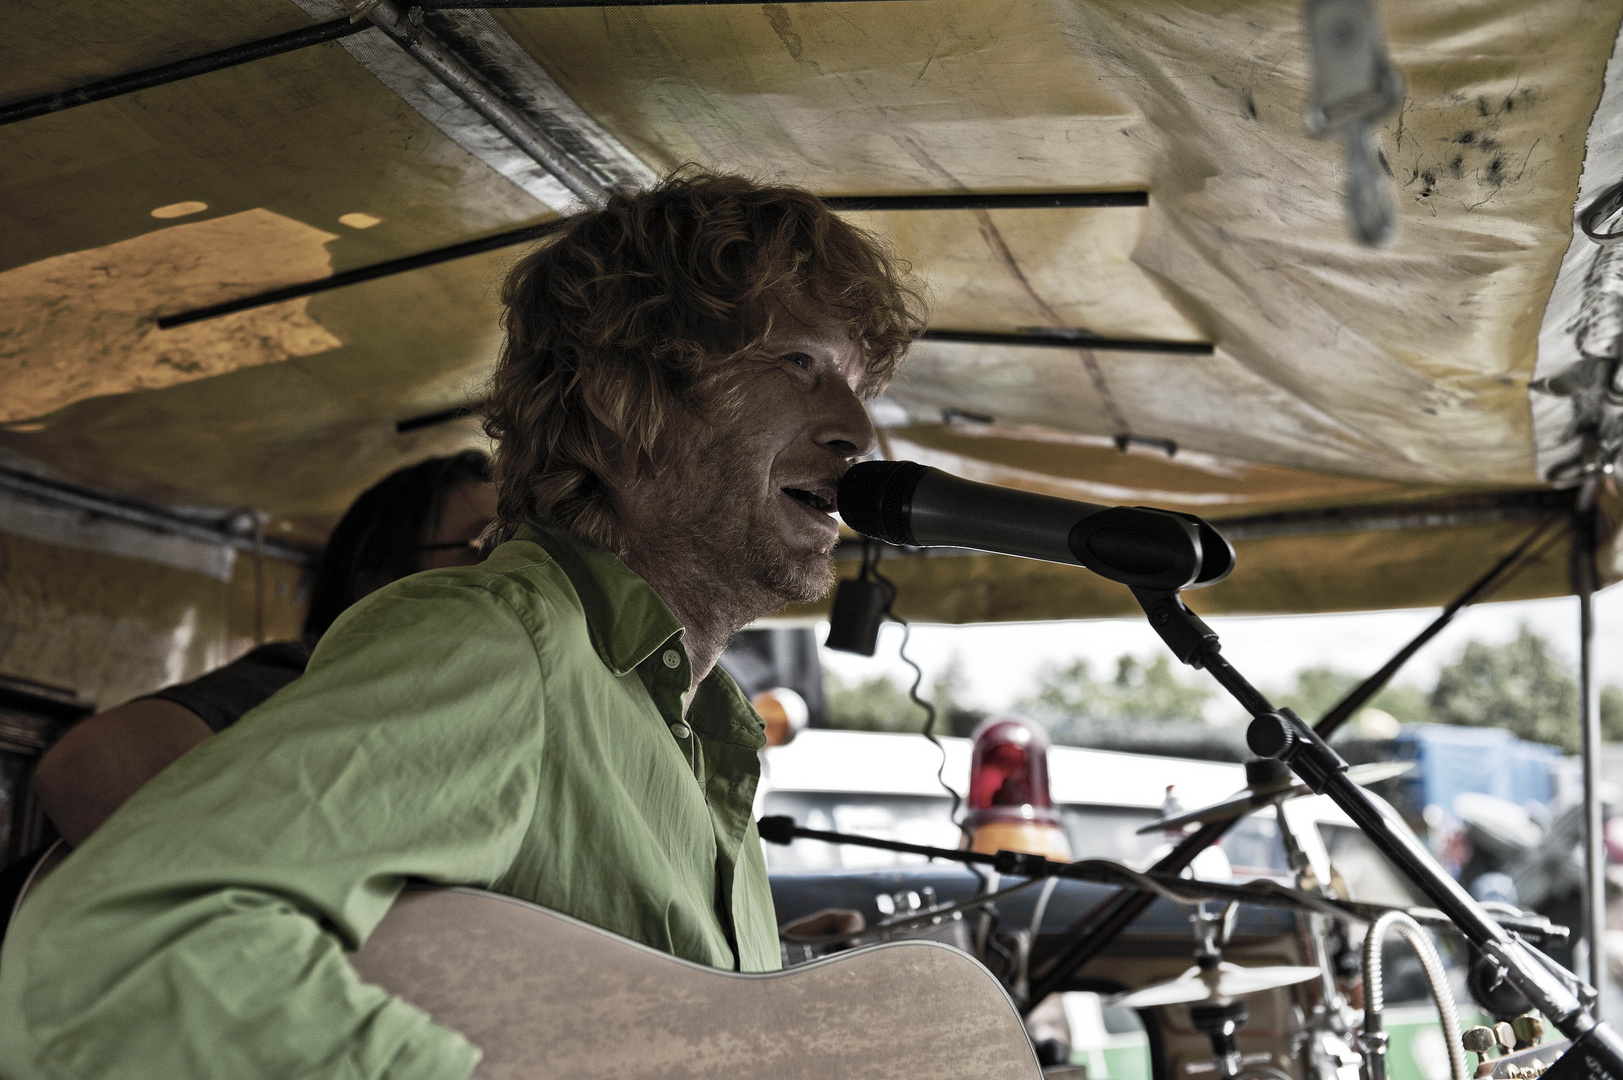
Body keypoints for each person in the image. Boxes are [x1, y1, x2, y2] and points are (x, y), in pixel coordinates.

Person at [0, 168, 924, 1079]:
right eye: (798, 366)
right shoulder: (496, 644)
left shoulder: (704, 730)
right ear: (619, 398)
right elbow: (126, 945)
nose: (855, 429)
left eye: (853, 383)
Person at [30, 450, 494, 848]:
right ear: (378, 579)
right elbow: (90, 771)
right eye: (486, 543)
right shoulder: (313, 679)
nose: (515, 570)